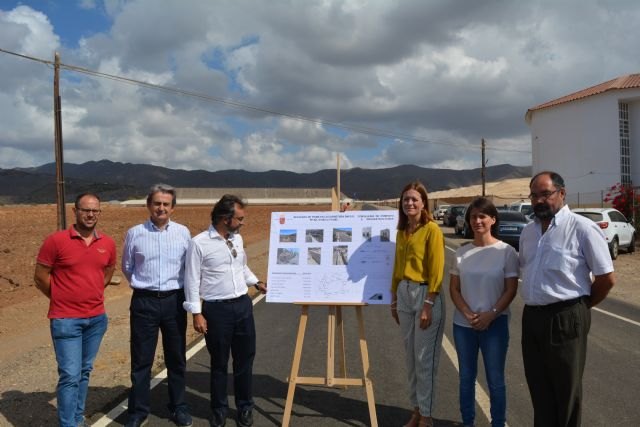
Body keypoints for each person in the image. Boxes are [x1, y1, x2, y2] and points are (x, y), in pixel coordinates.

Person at [519, 171, 615, 427]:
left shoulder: (582, 228)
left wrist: (581, 308)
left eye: (545, 194)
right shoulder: (528, 232)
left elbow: (606, 278)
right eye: (534, 195)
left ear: (562, 193)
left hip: (566, 317)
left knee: (566, 393)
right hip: (532, 318)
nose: (539, 200)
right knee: (539, 390)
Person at [183, 194, 267, 427]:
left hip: (242, 306)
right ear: (224, 218)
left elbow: (241, 266)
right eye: (239, 218)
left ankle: (244, 407)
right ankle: (218, 409)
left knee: (244, 361)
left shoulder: (236, 239)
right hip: (216, 310)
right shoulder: (199, 243)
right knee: (219, 363)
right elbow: (191, 280)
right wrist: (196, 313)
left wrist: (256, 281)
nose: (243, 222)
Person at [34, 193, 116, 427]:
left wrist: (89, 292)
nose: (90, 214)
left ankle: (77, 418)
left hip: (97, 319)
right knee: (70, 375)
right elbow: (40, 277)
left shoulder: (107, 243)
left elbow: (107, 273)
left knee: (84, 371)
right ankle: (68, 424)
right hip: (66, 319)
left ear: (99, 213)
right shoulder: (56, 241)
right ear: (75, 211)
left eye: (95, 211)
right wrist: (62, 296)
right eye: (85, 210)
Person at [121, 184, 192, 427]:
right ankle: (138, 412)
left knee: (176, 358)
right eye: (157, 203)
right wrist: (145, 287)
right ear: (149, 205)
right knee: (141, 360)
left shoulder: (183, 233)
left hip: (174, 301)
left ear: (172, 208)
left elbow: (188, 268)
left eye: (166, 204)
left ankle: (178, 407)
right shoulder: (135, 233)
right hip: (144, 301)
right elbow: (127, 267)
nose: (161, 208)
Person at [449, 197, 519, 427]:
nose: (477, 221)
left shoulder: (506, 252)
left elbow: (511, 289)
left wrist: (492, 313)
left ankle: (498, 423)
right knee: (466, 379)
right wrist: (468, 314)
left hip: (495, 325)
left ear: (492, 219)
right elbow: (454, 289)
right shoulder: (461, 252)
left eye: (482, 216)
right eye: (473, 217)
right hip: (463, 326)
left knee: (496, 380)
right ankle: (467, 422)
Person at [391, 181, 446, 427]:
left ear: (424, 202)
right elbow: (397, 267)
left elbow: (437, 269)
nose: (409, 203)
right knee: (410, 359)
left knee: (425, 360)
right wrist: (394, 297)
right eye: (405, 200)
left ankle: (426, 416)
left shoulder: (432, 229)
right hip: (404, 293)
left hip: (425, 293)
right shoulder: (402, 232)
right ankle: (416, 409)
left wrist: (428, 304)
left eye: (414, 199)